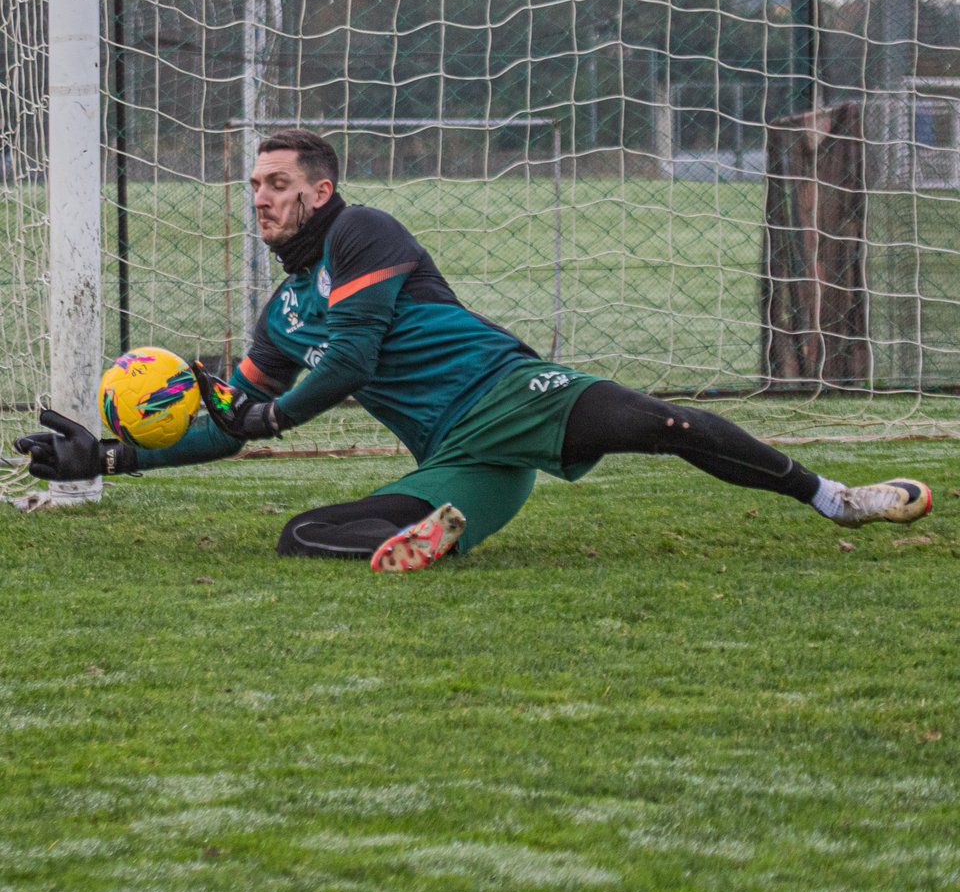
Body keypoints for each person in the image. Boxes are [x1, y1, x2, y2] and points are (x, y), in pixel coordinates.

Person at [16, 129, 932, 572]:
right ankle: (436, 534)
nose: (260, 197)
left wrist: (271, 412)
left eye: (279, 183)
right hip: (459, 458)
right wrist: (112, 456)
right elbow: (228, 419)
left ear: (322, 190)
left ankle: (834, 499)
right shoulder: (281, 312)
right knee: (303, 535)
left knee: (663, 423)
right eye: (253, 183)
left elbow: (351, 365)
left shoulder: (361, 234)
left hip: (514, 390)